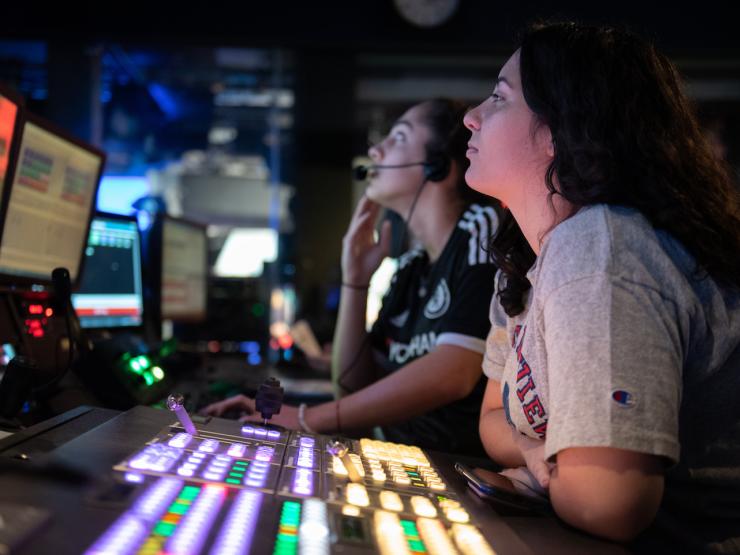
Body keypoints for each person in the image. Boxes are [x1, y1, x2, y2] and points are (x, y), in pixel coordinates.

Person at [464, 22, 740, 552]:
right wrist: (542, 459)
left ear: (559, 130)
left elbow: (607, 504)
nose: (471, 116)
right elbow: (493, 419)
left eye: (499, 97)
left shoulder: (601, 250)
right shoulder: (530, 259)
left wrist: (546, 470)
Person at [202, 98, 501, 457]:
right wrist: (355, 280)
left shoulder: (482, 230)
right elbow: (350, 388)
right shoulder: (410, 268)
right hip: (395, 455)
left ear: (437, 166)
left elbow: (453, 374)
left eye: (399, 138)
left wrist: (305, 417)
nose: (376, 150)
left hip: (451, 466)